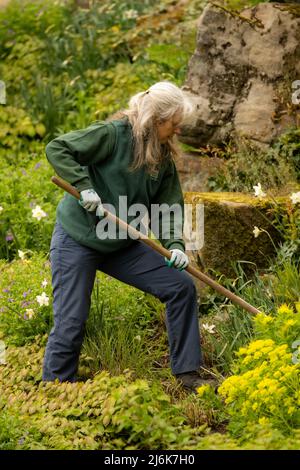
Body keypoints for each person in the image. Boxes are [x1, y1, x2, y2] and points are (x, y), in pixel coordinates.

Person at [42, 81, 216, 393]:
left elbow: (168, 207)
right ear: (156, 119)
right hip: (78, 239)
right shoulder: (112, 134)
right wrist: (84, 186)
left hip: (120, 242)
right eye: (174, 125)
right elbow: (58, 147)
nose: (177, 131)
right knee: (71, 322)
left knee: (180, 286)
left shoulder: (161, 158)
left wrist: (175, 246)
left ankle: (188, 375)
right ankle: (55, 390)